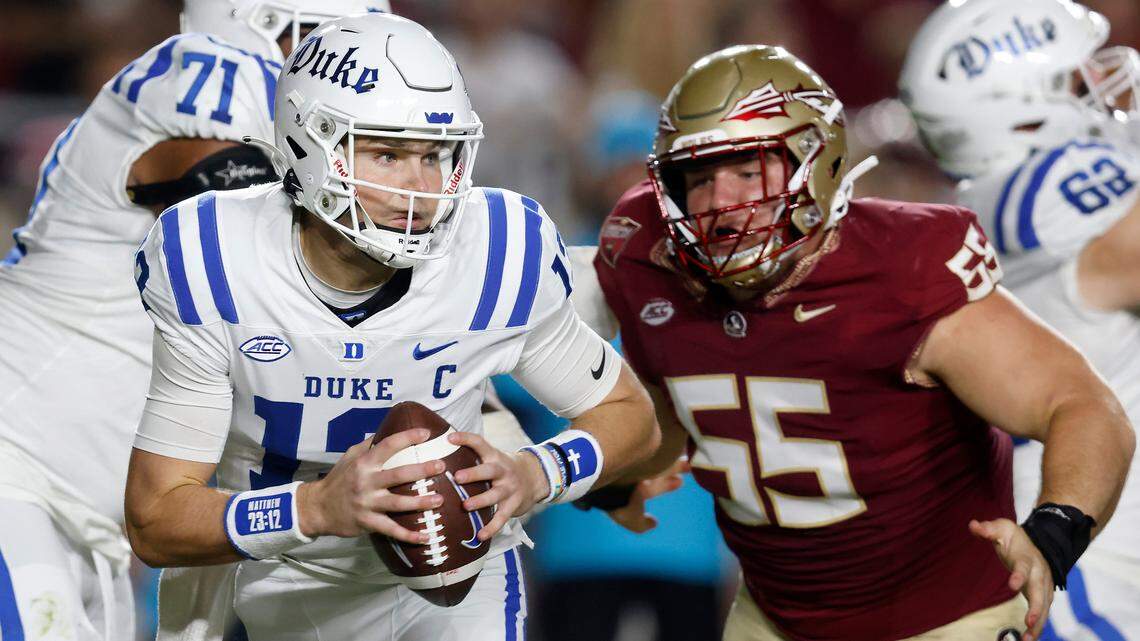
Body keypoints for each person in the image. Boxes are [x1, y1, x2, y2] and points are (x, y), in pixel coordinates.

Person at [569, 44, 1134, 641]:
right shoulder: (646, 253)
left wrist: (1055, 530)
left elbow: (1081, 404)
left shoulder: (902, 270)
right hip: (776, 619)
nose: (721, 205)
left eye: (748, 170)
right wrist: (617, 472)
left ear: (817, 162)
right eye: (699, 178)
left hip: (947, 619)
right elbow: (677, 391)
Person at [123, 12, 658, 641]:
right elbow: (156, 518)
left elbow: (629, 416)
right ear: (307, 146)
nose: (423, 188)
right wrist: (313, 506)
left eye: (435, 154)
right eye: (388, 153)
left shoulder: (496, 252)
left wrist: (538, 473)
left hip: (455, 575)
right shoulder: (214, 255)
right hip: (281, 569)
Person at [0, 2, 389, 639]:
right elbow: (228, 196)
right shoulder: (206, 75)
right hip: (19, 469)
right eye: (328, 45)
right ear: (259, 22)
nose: (354, 74)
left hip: (89, 519)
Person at [901, 0, 1140, 638]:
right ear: (1021, 107)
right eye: (1076, 77)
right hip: (1095, 565)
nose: (1103, 84)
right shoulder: (1047, 184)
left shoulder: (985, 201)